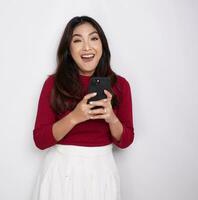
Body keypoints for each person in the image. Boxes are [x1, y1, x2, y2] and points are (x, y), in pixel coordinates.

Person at [32, 16, 134, 200]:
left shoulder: (121, 85)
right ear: (69, 49)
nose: (87, 47)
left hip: (102, 171)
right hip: (61, 172)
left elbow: (126, 141)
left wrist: (111, 118)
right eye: (77, 40)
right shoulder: (53, 84)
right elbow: (40, 140)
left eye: (93, 38)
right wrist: (75, 117)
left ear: (102, 44)